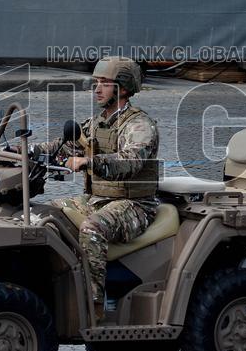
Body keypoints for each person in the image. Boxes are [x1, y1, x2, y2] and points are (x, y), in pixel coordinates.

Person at [31, 56, 159, 320]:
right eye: (96, 83)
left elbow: (131, 161)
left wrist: (89, 162)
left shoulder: (140, 125)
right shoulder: (98, 123)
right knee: (47, 214)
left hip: (135, 206)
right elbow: (64, 146)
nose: (97, 89)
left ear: (123, 88)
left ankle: (92, 305)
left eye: (104, 83)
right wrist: (26, 151)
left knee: (93, 228)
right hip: (98, 199)